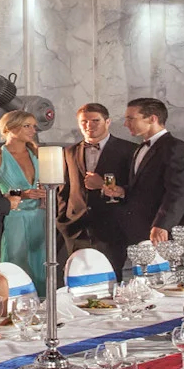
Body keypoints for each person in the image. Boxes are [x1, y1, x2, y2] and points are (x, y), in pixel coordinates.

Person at [62, 102, 137, 268]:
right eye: (84, 122)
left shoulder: (129, 150)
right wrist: (63, 221)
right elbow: (64, 189)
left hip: (113, 227)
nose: (89, 125)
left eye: (95, 121)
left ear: (107, 122)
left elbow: (137, 189)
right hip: (76, 228)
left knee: (110, 280)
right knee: (77, 280)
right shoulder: (69, 151)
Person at [0, 110, 48, 293]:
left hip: (39, 216)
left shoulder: (37, 154)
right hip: (13, 218)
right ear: (10, 128)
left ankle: (43, 308)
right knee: (14, 262)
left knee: (41, 264)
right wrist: (22, 194)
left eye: (34, 126)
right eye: (27, 126)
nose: (33, 130)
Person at [117, 97, 184, 245]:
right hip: (139, 228)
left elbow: (179, 191)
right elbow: (144, 188)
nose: (126, 124)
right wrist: (122, 191)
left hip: (163, 232)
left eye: (131, 119)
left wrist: (162, 224)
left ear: (152, 119)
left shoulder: (176, 148)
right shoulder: (140, 148)